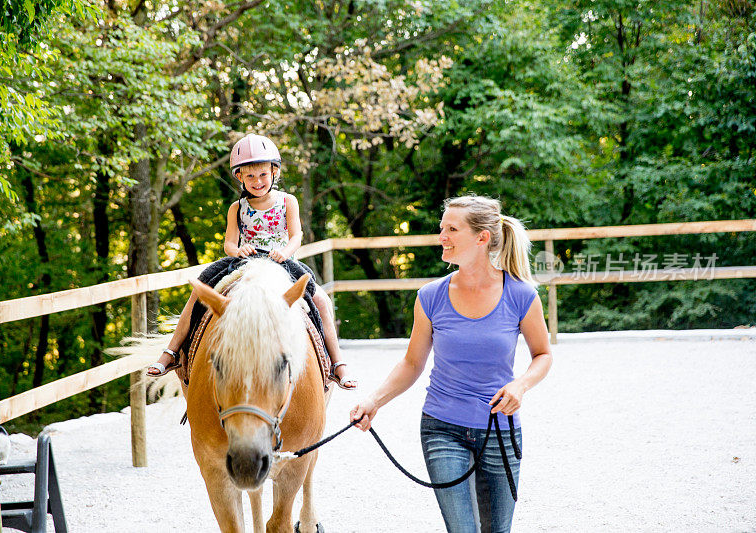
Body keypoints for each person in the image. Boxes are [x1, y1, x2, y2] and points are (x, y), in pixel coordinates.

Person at [350, 195, 551, 533]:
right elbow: (412, 363)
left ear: (481, 238)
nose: (441, 236)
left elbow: (543, 355)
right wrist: (373, 401)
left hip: (499, 429)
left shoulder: (521, 295)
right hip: (442, 428)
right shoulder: (430, 297)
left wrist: (521, 385)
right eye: (441, 228)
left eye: (452, 229)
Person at [148, 133, 356, 390]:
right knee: (200, 292)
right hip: (245, 261)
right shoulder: (237, 207)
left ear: (274, 173)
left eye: (263, 175)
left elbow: (297, 236)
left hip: (281, 261)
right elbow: (229, 243)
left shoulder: (287, 201)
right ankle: (171, 352)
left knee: (321, 300)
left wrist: (285, 251)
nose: (257, 181)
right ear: (240, 177)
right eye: (250, 176)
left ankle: (336, 363)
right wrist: (238, 250)